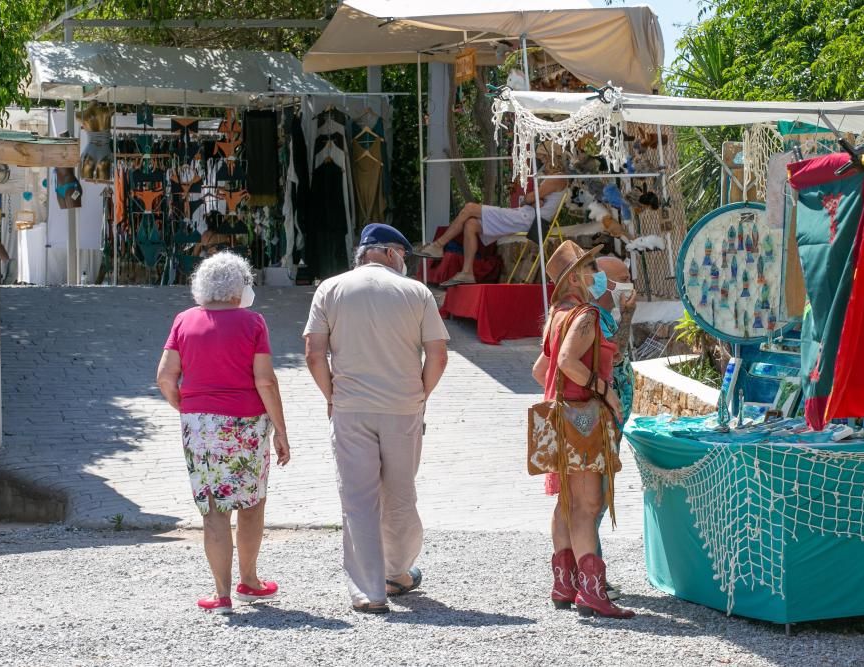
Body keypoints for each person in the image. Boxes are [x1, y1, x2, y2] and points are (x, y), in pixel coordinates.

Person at [303, 223, 450, 614]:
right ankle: (398, 570)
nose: (404, 262)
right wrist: (421, 393)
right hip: (403, 406)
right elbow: (438, 355)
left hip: (350, 407)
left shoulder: (330, 289)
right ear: (387, 252)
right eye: (403, 255)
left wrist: (331, 396)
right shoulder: (417, 293)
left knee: (358, 500)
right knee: (401, 494)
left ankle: (369, 591)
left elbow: (314, 353)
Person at [156, 252, 291, 614]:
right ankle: (250, 582)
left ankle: (222, 595)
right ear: (239, 288)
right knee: (251, 503)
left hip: (199, 425)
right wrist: (280, 429)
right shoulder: (253, 322)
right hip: (245, 424)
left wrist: (188, 409)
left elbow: (165, 377)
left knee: (214, 510)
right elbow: (264, 379)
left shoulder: (183, 320)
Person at [530, 240, 635, 619]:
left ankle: (565, 583)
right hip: (584, 420)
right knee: (588, 506)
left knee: (568, 503)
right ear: (576, 276)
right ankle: (592, 593)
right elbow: (570, 363)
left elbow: (541, 371)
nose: (597, 275)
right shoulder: (586, 315)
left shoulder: (557, 315)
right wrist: (603, 388)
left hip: (560, 419)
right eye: (590, 268)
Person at [412, 158, 569, 288]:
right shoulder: (555, 179)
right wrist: (533, 199)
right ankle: (467, 272)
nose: (542, 164)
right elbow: (531, 199)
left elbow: (528, 198)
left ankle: (438, 246)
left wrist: (532, 199)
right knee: (471, 224)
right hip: (526, 216)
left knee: (469, 208)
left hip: (528, 218)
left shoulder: (557, 178)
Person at [592, 255, 638, 600]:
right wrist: (630, 316)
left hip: (611, 420)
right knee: (593, 500)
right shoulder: (597, 319)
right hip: (599, 420)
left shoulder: (605, 316)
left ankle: (585, 570)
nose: (629, 283)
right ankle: (589, 571)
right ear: (603, 283)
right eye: (623, 277)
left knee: (595, 499)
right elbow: (616, 354)